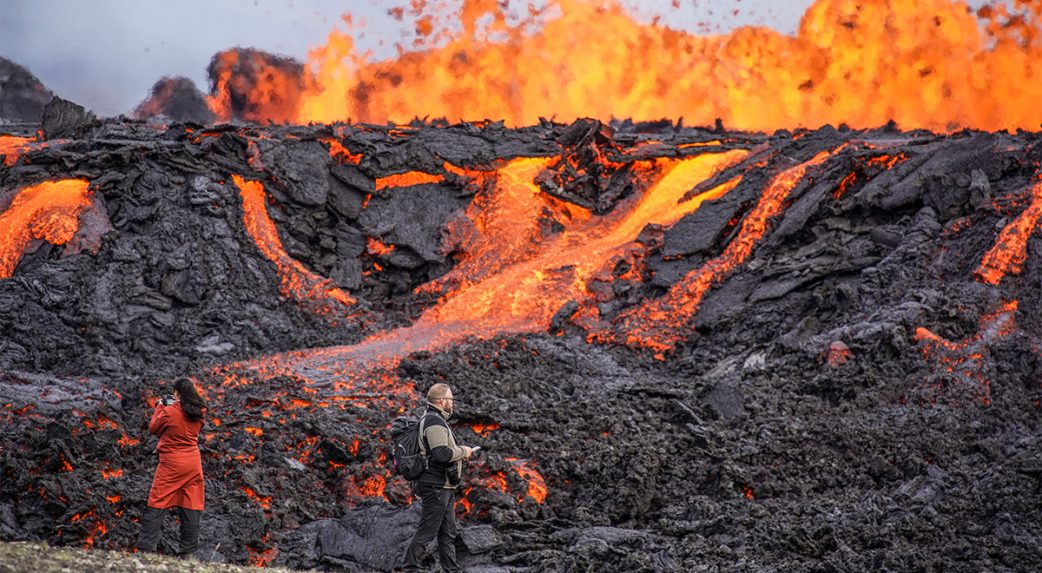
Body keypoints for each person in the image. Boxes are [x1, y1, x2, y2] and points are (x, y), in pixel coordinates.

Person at [401, 383, 478, 573]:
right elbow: (441, 454)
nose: (453, 403)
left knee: (447, 533)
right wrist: (465, 451)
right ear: (442, 401)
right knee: (427, 531)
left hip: (444, 485)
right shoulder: (434, 422)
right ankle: (410, 568)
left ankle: (451, 570)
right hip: (435, 485)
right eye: (451, 399)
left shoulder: (436, 420)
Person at [136, 377, 207, 558]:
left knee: (157, 501)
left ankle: (146, 550)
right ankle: (188, 554)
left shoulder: (170, 411)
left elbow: (153, 428)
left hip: (171, 464)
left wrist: (161, 405)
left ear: (177, 393)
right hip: (193, 464)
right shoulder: (199, 411)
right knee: (191, 504)